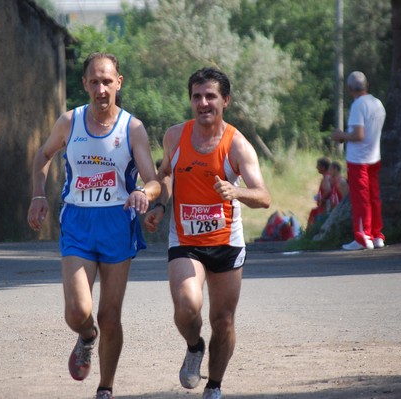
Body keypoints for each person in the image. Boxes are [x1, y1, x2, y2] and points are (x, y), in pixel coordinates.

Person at [27, 52, 159, 399]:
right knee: (78, 311)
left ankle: (105, 388)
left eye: (107, 81)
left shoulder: (132, 128)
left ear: (119, 82)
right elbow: (43, 155)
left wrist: (144, 192)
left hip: (118, 221)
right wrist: (38, 195)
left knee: (110, 316)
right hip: (78, 222)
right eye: (94, 81)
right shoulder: (69, 122)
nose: (101, 88)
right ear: (85, 84)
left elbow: (153, 179)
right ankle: (87, 337)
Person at [145, 67, 271, 399]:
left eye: (210, 96)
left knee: (223, 320)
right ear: (190, 100)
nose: (203, 103)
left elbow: (264, 196)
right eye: (197, 96)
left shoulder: (238, 146)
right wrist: (158, 205)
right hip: (186, 241)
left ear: (225, 101)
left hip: (226, 242)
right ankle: (194, 345)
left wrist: (236, 191)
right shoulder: (174, 136)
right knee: (187, 306)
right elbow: (165, 175)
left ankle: (214, 386)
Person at [331, 71, 386, 250]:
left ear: (349, 89)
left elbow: (358, 134)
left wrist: (341, 136)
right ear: (367, 85)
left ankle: (363, 237)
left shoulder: (358, 105)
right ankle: (377, 235)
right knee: (374, 198)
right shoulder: (377, 103)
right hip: (374, 157)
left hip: (358, 160)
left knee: (360, 199)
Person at [307, 156, 332, 228]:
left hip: (324, 207)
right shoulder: (329, 176)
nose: (316, 167)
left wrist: (322, 199)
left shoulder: (326, 178)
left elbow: (328, 190)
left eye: (318, 165)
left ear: (323, 167)